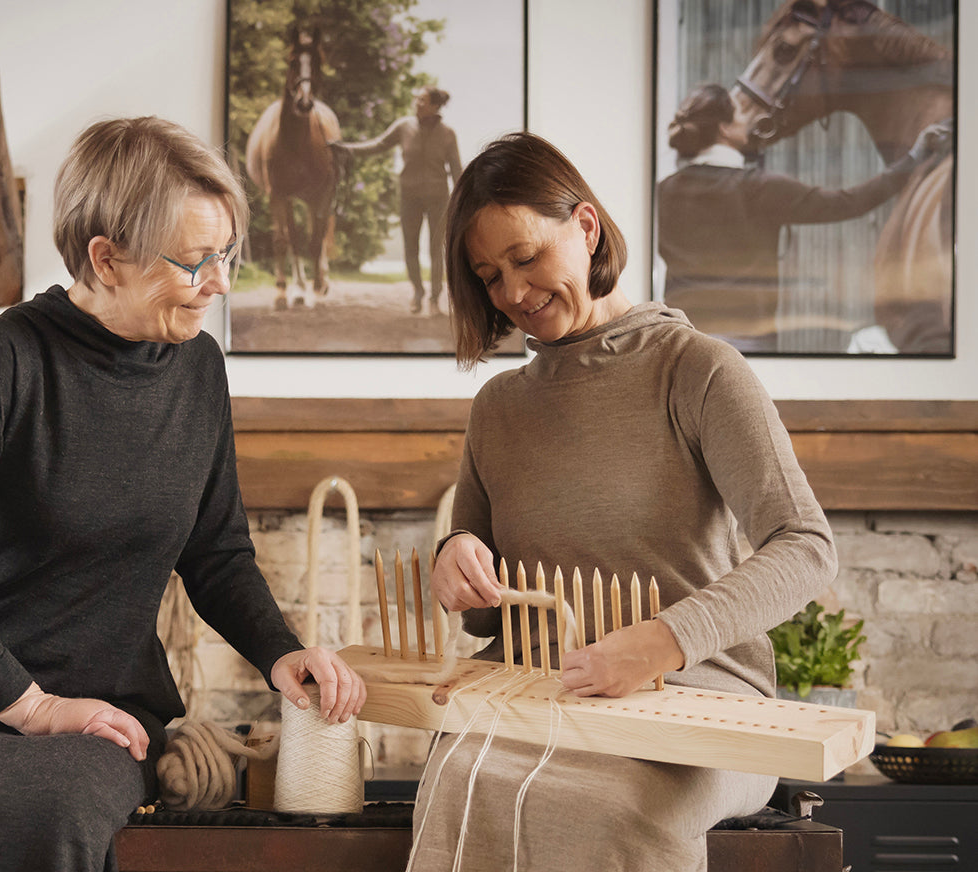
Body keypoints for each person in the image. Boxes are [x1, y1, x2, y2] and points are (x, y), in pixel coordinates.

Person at [0, 116, 366, 872]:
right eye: (196, 261)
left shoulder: (197, 370)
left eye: (227, 254)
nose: (220, 283)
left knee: (55, 815)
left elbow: (215, 552)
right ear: (106, 258)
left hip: (104, 704)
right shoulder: (1, 358)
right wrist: (32, 708)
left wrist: (279, 654)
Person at [421, 131, 838, 871]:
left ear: (585, 228)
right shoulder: (498, 407)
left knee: (607, 810)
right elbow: (487, 613)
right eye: (489, 277)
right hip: (534, 693)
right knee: (453, 783)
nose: (512, 294)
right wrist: (457, 558)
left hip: (700, 695)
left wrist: (660, 641)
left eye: (525, 258)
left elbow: (804, 547)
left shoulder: (697, 370)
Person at [657, 83, 950, 352]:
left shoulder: (662, 192)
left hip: (680, 339)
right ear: (724, 128)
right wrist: (914, 157)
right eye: (741, 113)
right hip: (746, 343)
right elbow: (848, 202)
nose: (749, 119)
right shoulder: (761, 187)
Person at [331, 86, 461, 315]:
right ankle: (418, 293)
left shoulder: (448, 134)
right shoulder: (404, 126)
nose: (417, 103)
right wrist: (347, 149)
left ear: (434, 106)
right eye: (417, 99)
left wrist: (464, 201)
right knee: (410, 247)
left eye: (422, 100)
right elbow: (378, 144)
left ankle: (434, 299)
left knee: (436, 249)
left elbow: (456, 170)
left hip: (438, 198)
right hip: (409, 196)